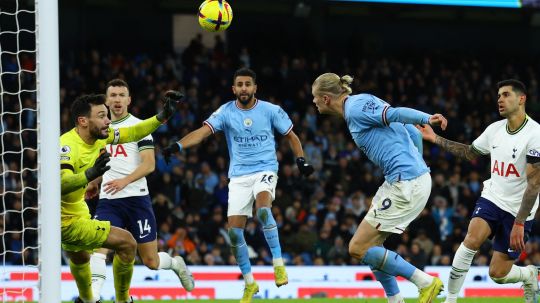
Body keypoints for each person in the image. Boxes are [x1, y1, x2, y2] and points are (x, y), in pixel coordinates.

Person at [162, 67, 314, 303]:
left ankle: (278, 264)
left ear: (255, 87)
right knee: (234, 233)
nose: (244, 88)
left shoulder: (271, 110)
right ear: (234, 89)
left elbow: (292, 137)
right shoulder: (225, 112)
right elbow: (202, 133)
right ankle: (250, 284)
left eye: (248, 84)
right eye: (239, 85)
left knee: (263, 210)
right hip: (239, 176)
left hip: (265, 169)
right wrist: (178, 145)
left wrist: (301, 161)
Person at [311, 72, 447, 303]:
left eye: (314, 97)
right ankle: (395, 300)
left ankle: (425, 282)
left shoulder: (355, 107)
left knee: (357, 248)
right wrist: (418, 164)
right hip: (405, 179)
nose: (313, 102)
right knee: (372, 247)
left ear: (325, 98)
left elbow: (396, 114)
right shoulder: (360, 104)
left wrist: (427, 118)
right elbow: (411, 131)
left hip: (406, 181)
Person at [417, 79, 540, 303]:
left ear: (521, 99)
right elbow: (470, 153)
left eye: (505, 95)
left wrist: (519, 223)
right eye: (498, 95)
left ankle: (529, 274)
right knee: (471, 240)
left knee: (498, 274)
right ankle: (451, 299)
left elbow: (534, 184)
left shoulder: (535, 134)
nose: (499, 99)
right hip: (492, 198)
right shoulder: (494, 129)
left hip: (519, 209)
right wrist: (434, 138)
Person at [60, 92, 182, 303]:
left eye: (107, 115)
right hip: (65, 220)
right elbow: (60, 184)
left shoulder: (101, 137)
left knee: (80, 258)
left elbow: (134, 132)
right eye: (101, 116)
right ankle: (123, 300)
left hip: (78, 209)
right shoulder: (67, 146)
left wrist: (162, 117)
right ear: (83, 121)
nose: (108, 121)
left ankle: (88, 300)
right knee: (127, 243)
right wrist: (88, 175)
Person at [85, 79, 194, 300]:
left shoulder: (140, 128)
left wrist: (124, 181)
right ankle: (93, 296)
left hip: (137, 201)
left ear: (129, 100)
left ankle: (175, 263)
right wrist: (94, 183)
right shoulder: (100, 131)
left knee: (151, 262)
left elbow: (149, 164)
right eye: (113, 95)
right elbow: (103, 164)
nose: (117, 99)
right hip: (109, 201)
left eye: (121, 95)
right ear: (106, 101)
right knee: (98, 248)